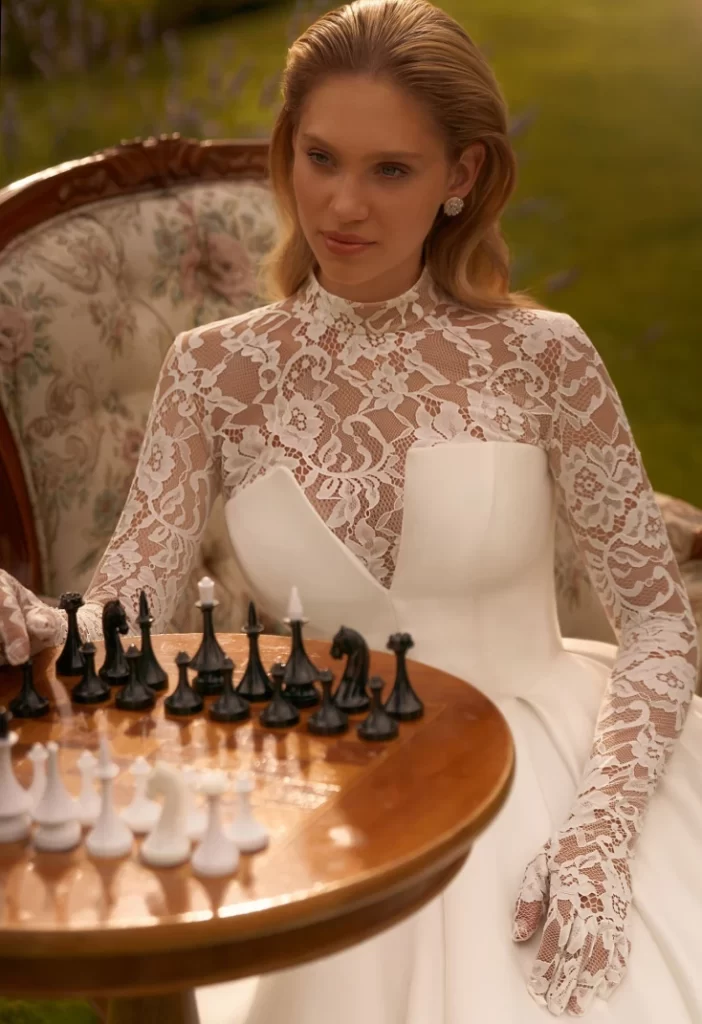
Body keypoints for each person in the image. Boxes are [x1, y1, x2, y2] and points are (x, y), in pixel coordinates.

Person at [1, 0, 701, 1019]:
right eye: (320, 157)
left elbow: (661, 623)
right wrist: (33, 620)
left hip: (552, 773)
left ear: (462, 176)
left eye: (391, 170)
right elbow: (125, 618)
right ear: (288, 150)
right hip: (330, 798)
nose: (343, 205)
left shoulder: (543, 356)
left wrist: (597, 837)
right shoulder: (214, 372)